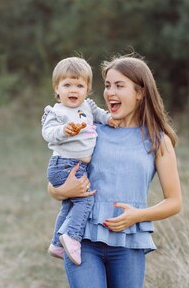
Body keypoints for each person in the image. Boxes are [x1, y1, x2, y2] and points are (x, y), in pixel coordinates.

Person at [47, 53, 182, 288]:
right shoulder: (90, 129)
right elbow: (54, 181)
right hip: (82, 239)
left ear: (140, 93)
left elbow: (174, 201)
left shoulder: (158, 140)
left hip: (128, 242)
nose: (110, 92)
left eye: (119, 86)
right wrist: (62, 191)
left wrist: (137, 215)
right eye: (108, 85)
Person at [42, 57, 119, 265]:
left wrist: (109, 120)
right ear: (57, 89)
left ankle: (56, 244)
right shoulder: (56, 111)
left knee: (68, 206)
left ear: (87, 89)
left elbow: (101, 115)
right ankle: (72, 237)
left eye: (79, 85)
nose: (73, 90)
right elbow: (47, 132)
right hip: (64, 164)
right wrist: (63, 131)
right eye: (67, 85)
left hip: (77, 165)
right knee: (85, 200)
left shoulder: (87, 106)